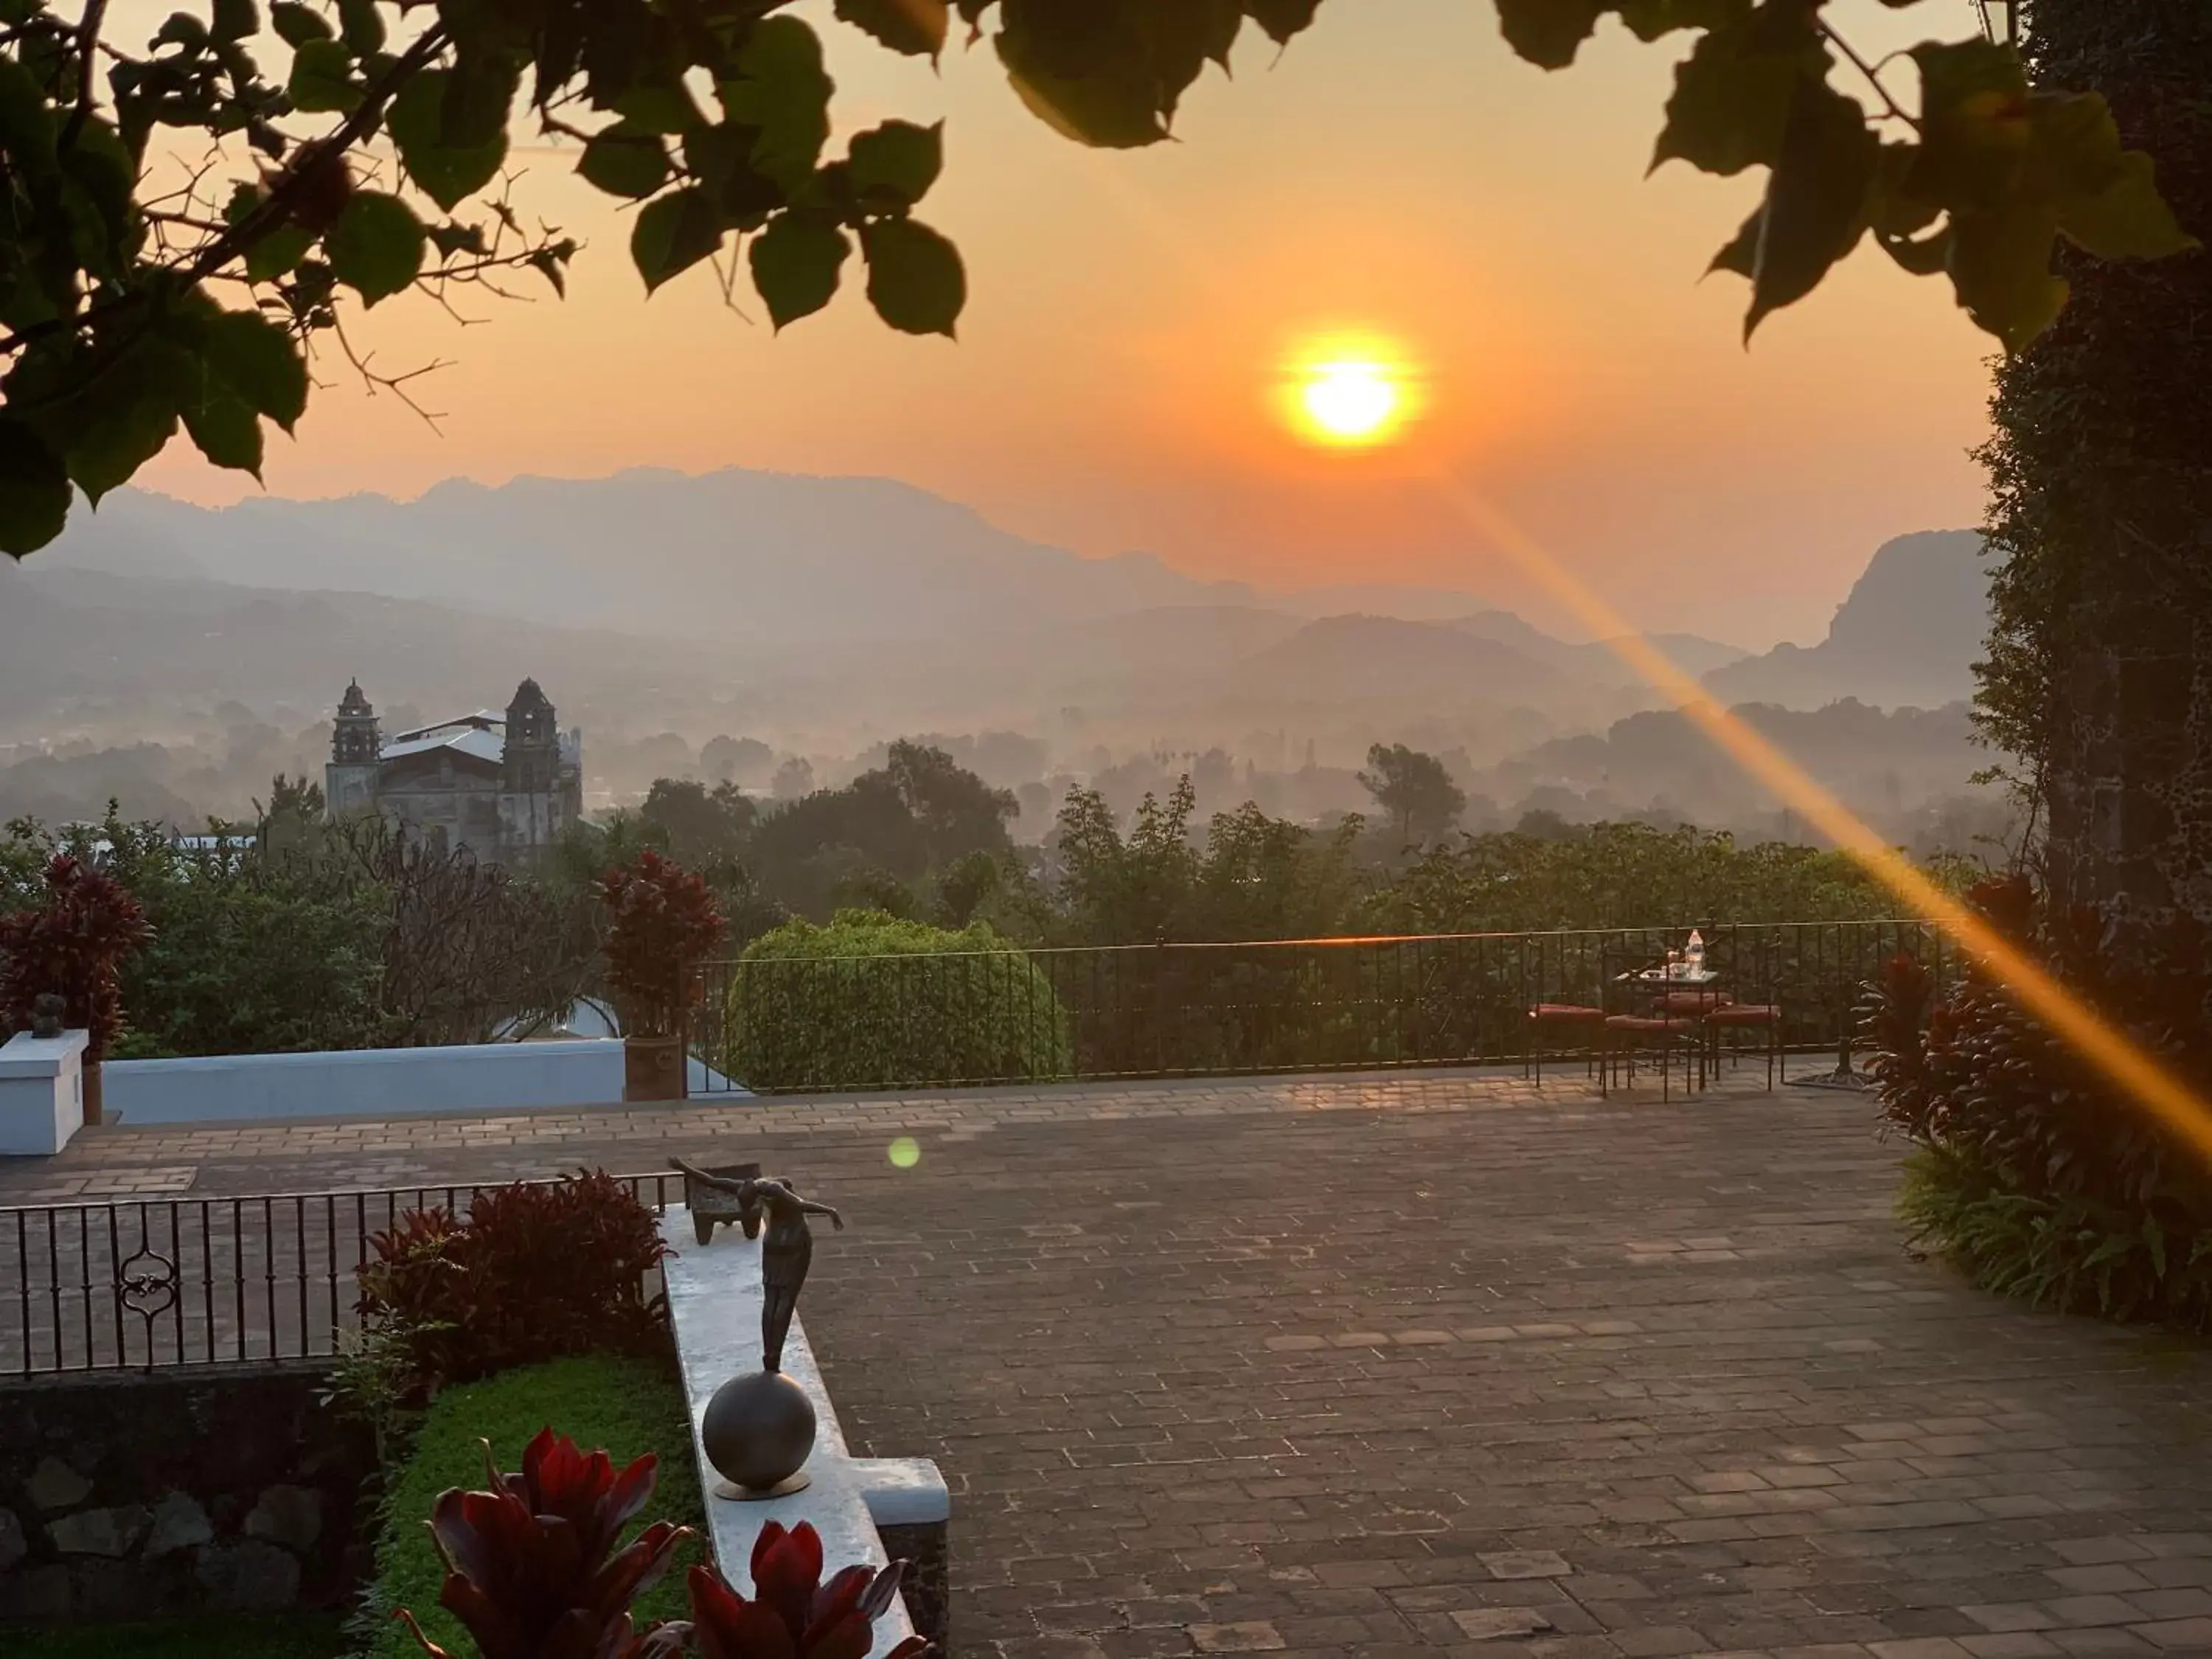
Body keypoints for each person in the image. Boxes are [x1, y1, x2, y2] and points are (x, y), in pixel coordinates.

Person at [669, 1158, 843, 1373]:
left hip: (773, 1244)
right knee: (785, 1301)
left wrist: (683, 1167)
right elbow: (800, 1205)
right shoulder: (772, 1188)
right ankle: (774, 1355)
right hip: (794, 1243)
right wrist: (830, 1211)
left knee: (771, 1300)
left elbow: (711, 1181)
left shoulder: (745, 1186)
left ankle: (769, 1353)